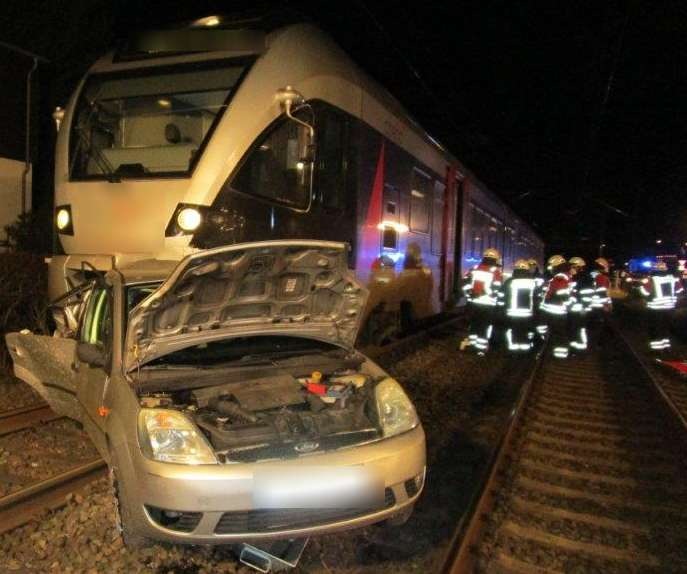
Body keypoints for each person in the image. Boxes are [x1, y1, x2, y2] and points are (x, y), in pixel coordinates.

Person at [460, 248, 503, 355]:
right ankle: (481, 349)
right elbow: (496, 290)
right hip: (487, 305)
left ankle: (472, 345)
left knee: (474, 324)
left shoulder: (474, 268)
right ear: (496, 259)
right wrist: (486, 293)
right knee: (484, 327)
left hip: (473, 304)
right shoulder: (495, 272)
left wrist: (469, 294)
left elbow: (464, 283)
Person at [639, 260, 683, 351]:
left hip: (655, 309)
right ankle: (667, 348)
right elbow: (680, 290)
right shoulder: (673, 278)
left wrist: (642, 285)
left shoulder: (652, 280)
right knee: (665, 328)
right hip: (669, 308)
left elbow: (645, 293)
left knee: (655, 329)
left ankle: (657, 350)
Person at [541, 255, 573, 359]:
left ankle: (559, 355)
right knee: (559, 333)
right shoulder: (566, 276)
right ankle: (558, 354)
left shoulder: (560, 277)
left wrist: (550, 299)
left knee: (558, 334)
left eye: (551, 267)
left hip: (556, 311)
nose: (551, 269)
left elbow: (561, 292)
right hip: (558, 310)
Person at [502, 259, 537, 352]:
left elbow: (502, 296)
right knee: (525, 330)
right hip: (527, 313)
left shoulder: (509, 282)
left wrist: (502, 308)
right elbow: (537, 298)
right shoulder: (532, 282)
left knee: (513, 330)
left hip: (512, 313)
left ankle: (513, 349)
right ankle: (525, 348)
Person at [568, 257, 594, 353]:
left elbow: (587, 295)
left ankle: (581, 350)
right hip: (574, 309)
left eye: (573, 266)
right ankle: (574, 349)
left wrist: (584, 307)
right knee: (574, 329)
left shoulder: (585, 279)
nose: (571, 268)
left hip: (581, 310)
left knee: (580, 330)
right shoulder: (574, 277)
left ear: (579, 267)